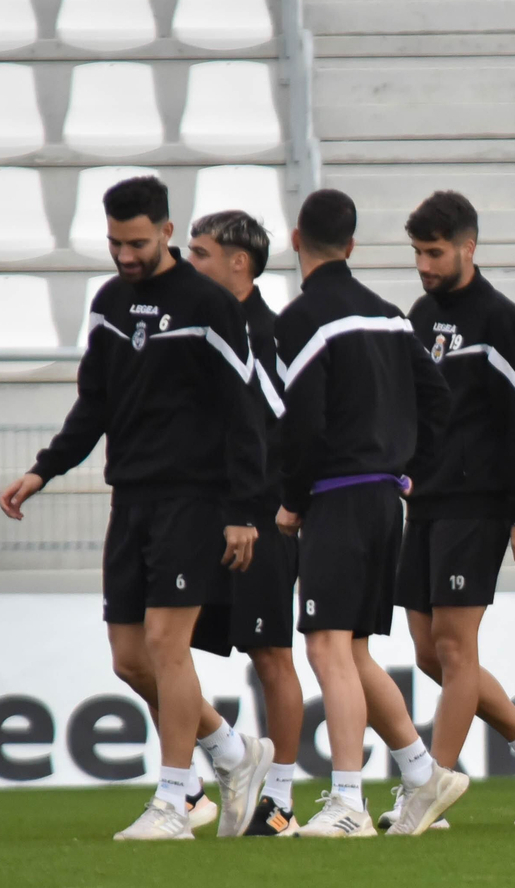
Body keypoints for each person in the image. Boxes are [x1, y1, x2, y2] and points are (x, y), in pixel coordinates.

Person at [0, 176, 273, 841]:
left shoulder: (210, 305)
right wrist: (45, 467)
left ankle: (177, 802)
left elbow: (245, 415)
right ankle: (234, 754)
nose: (125, 255)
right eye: (116, 242)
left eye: (138, 242)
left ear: (168, 233)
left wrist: (242, 509)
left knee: (165, 643)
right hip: (133, 496)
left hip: (195, 498)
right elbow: (95, 402)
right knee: (129, 658)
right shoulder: (110, 302)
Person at [389, 190, 515, 828]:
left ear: (468, 248)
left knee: (454, 643)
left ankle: (430, 790)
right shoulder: (420, 315)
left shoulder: (502, 321)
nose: (423, 263)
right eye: (417, 252)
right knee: (427, 651)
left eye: (434, 252)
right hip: (428, 500)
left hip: (479, 502)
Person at [271, 188, 461, 838]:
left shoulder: (298, 321)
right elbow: (438, 397)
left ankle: (348, 802)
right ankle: (421, 772)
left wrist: (292, 500)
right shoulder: (390, 316)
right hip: (384, 496)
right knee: (352, 649)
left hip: (335, 499)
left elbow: (302, 423)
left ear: (297, 240)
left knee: (327, 645)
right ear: (351, 244)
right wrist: (411, 471)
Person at [185, 210, 305, 837]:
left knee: (271, 656)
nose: (189, 263)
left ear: (240, 262)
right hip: (205, 513)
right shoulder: (203, 327)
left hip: (261, 517)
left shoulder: (268, 334)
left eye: (201, 254)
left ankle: (279, 800)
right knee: (162, 651)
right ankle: (213, 768)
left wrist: (278, 507)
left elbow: (285, 430)